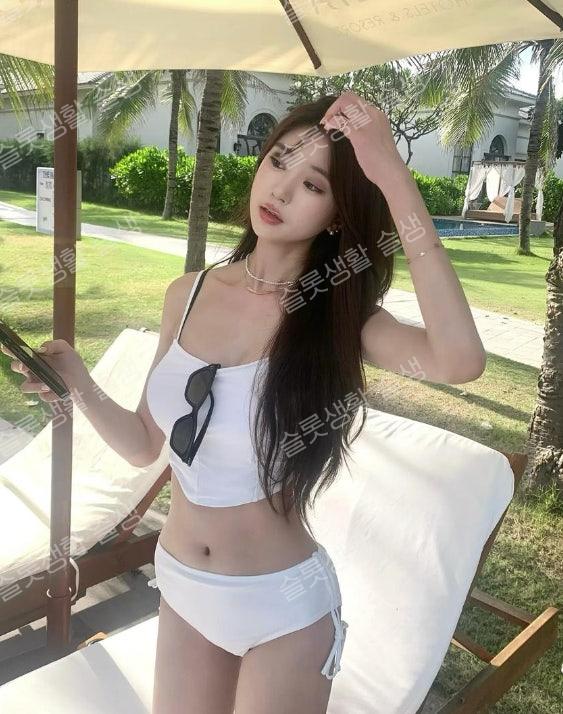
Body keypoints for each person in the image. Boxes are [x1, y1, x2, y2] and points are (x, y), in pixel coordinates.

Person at [3, 91, 486, 714]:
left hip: (280, 606)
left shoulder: (338, 320)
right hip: (181, 584)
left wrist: (391, 174)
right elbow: (146, 445)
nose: (280, 189)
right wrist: (79, 382)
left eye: (312, 184)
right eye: (279, 160)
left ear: (336, 215)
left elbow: (459, 360)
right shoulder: (188, 292)